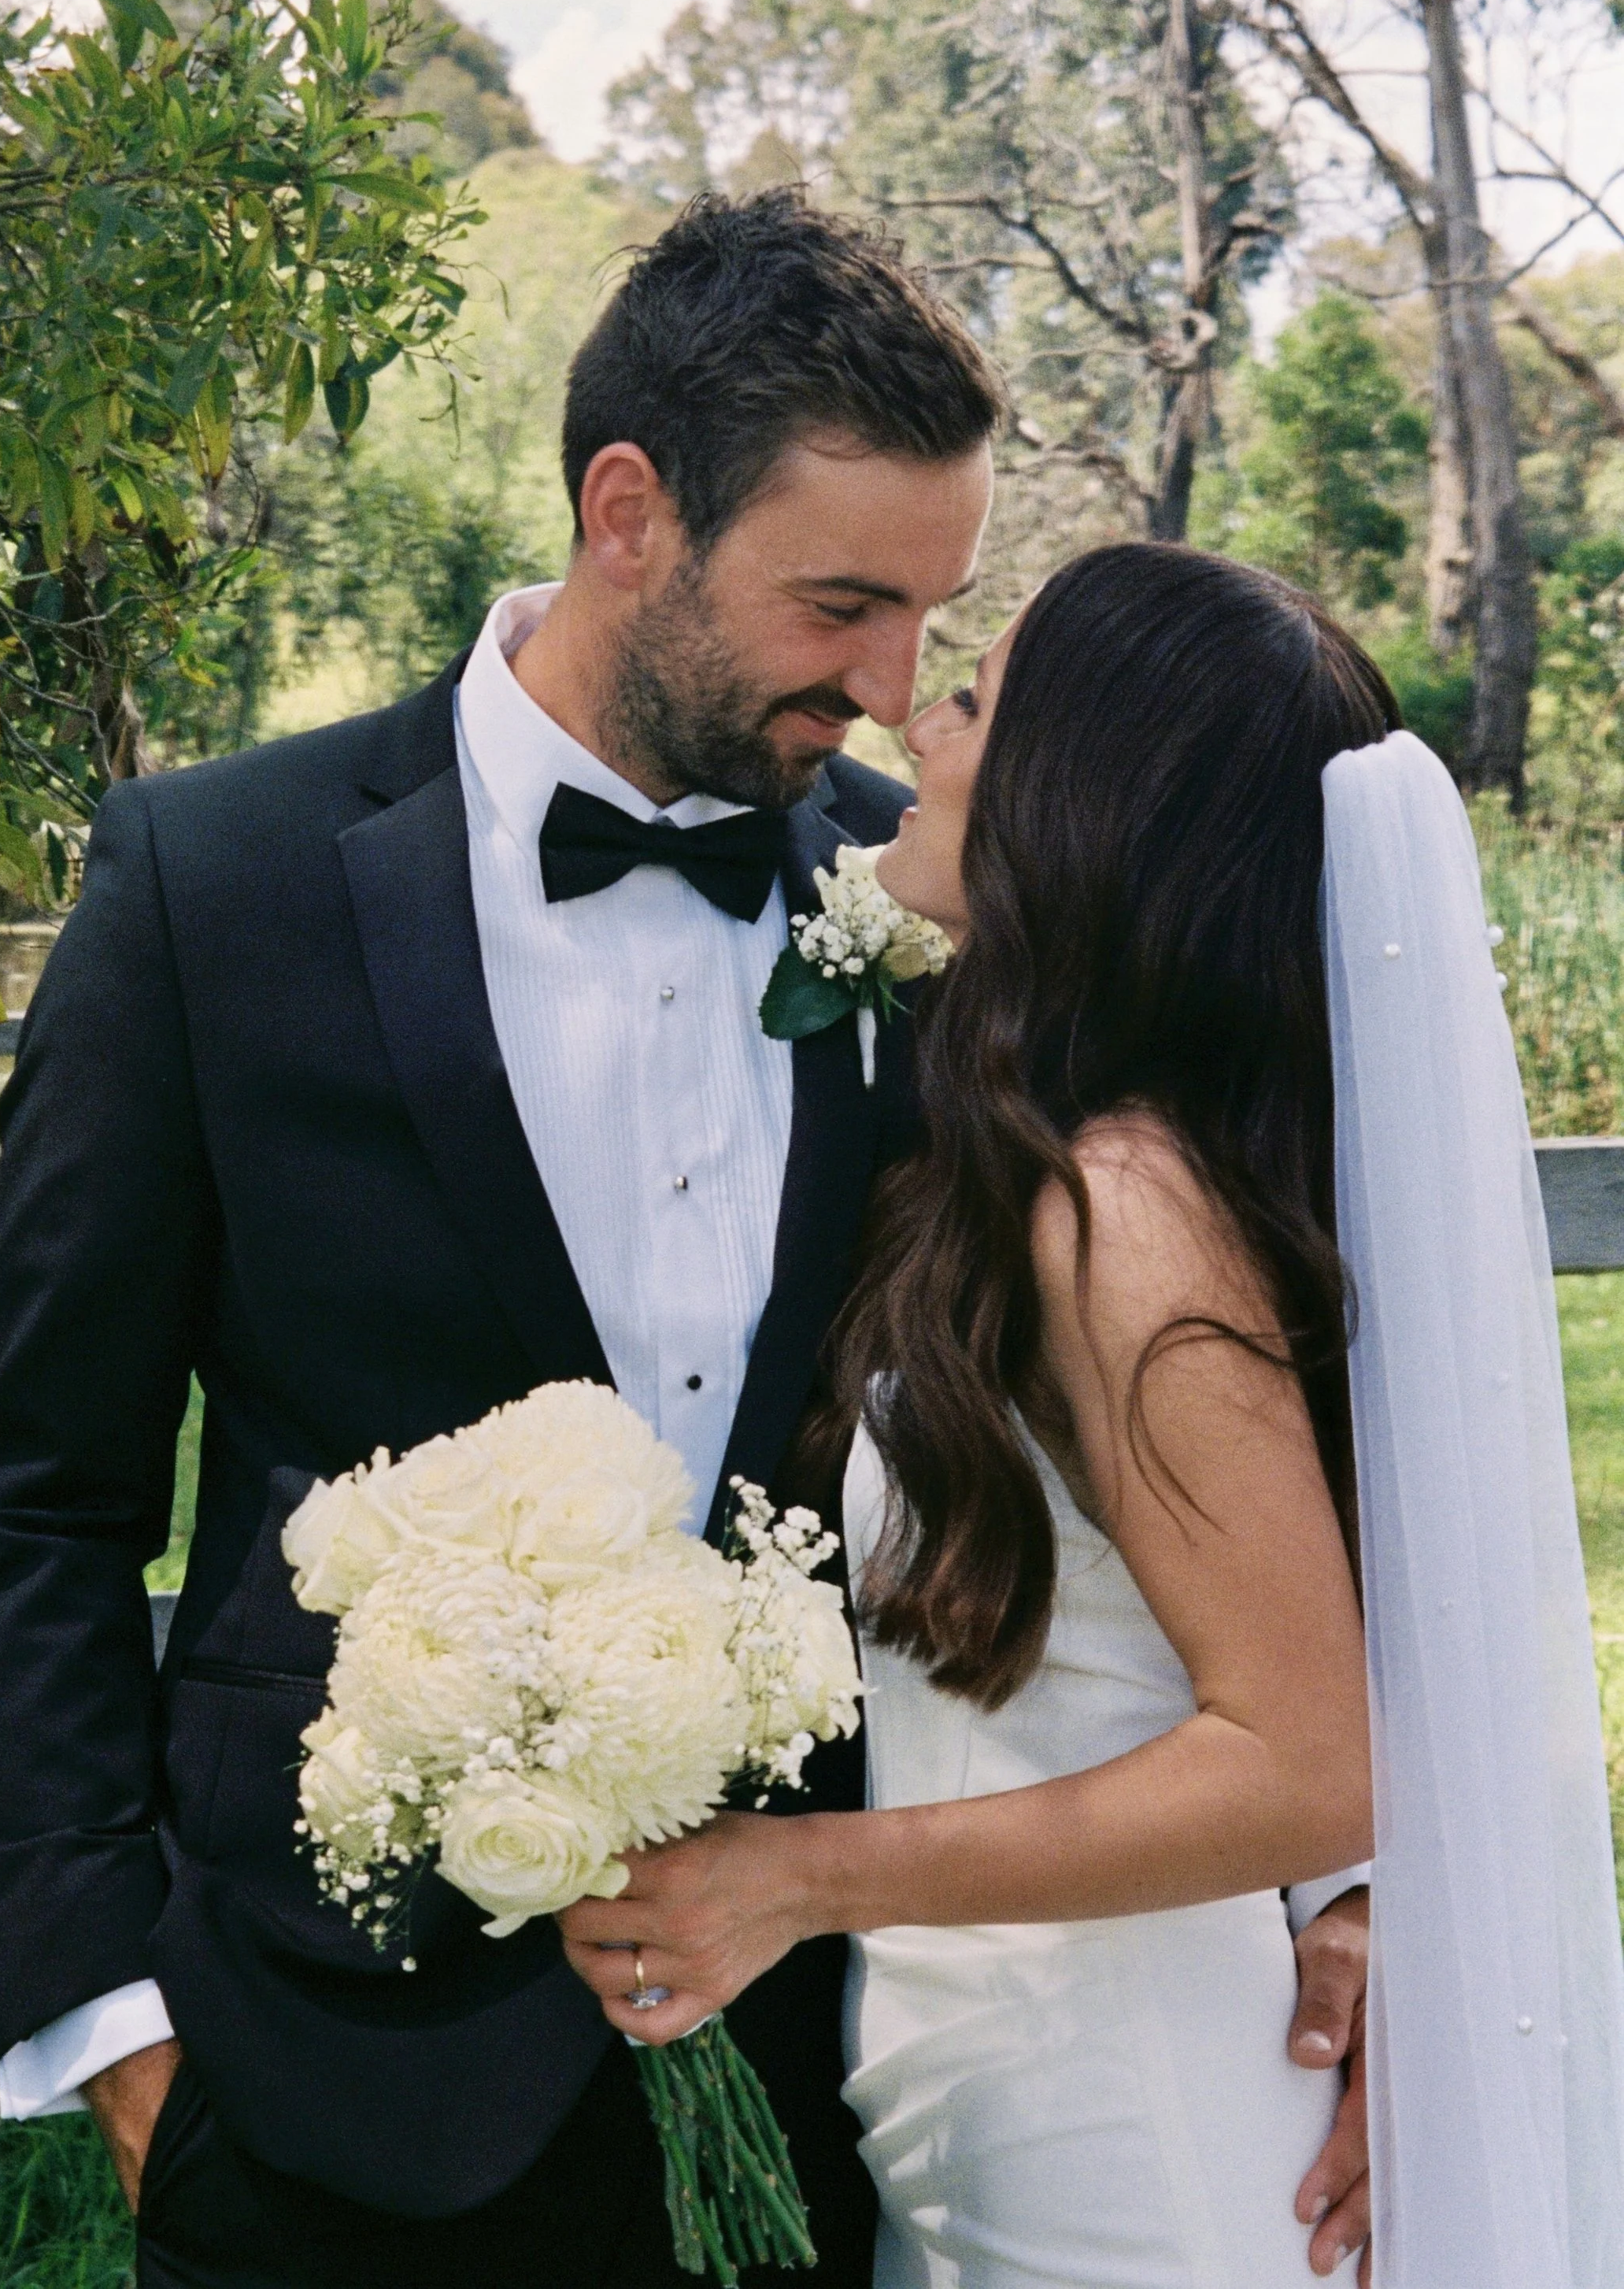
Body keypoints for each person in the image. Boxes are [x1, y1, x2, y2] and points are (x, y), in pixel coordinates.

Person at [0, 212, 1371, 2289]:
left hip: (840, 2083)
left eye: (929, 620)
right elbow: (36, 1500)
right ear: (631, 516)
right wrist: (114, 2034)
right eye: (842, 602)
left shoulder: (953, 919)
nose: (887, 688)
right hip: (316, 2080)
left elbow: (1260, 1423)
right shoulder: (207, 892)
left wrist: (1347, 1891)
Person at [561, 546, 1420, 2283]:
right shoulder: (1052, 1144)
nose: (912, 727)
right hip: (992, 2121)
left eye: (968, 702)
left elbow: (1308, 1762)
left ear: (1075, 805)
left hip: (1134, 2149)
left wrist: (800, 1876)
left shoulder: (1121, 1206)